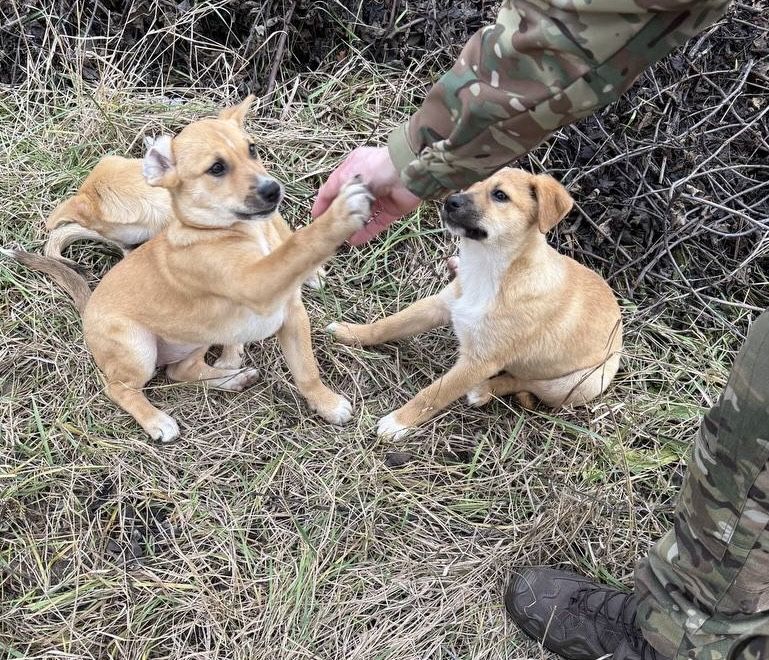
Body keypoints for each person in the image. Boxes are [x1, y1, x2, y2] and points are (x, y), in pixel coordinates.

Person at [312, 2, 769, 659]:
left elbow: (588, 20)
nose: (475, 201)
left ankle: (684, 638)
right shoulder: (484, 264)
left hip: (570, 368)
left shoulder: (525, 290)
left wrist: (414, 413)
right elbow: (438, 308)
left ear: (535, 218)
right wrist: (364, 329)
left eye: (500, 198)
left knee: (524, 375)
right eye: (481, 191)